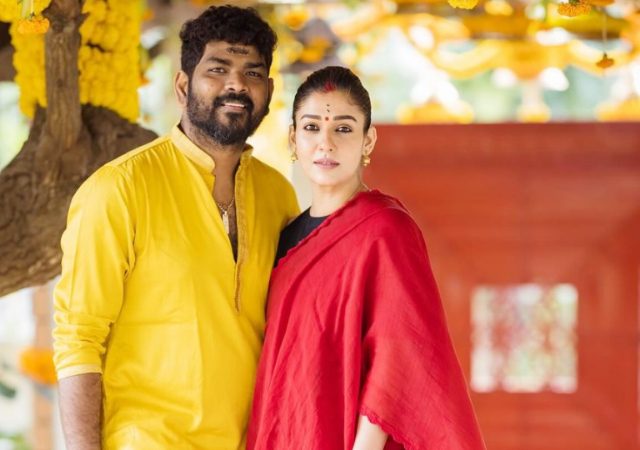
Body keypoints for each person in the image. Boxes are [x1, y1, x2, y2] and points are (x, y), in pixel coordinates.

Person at [52, 5, 298, 449]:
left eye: (252, 72)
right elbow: (78, 337)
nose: (236, 85)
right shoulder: (119, 188)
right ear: (183, 86)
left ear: (269, 90)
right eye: (217, 69)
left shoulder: (278, 195)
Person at [247, 66, 485, 450]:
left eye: (343, 128)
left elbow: (398, 359)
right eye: (311, 128)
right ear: (293, 138)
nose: (325, 144)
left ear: (367, 139)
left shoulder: (385, 229)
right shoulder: (285, 236)